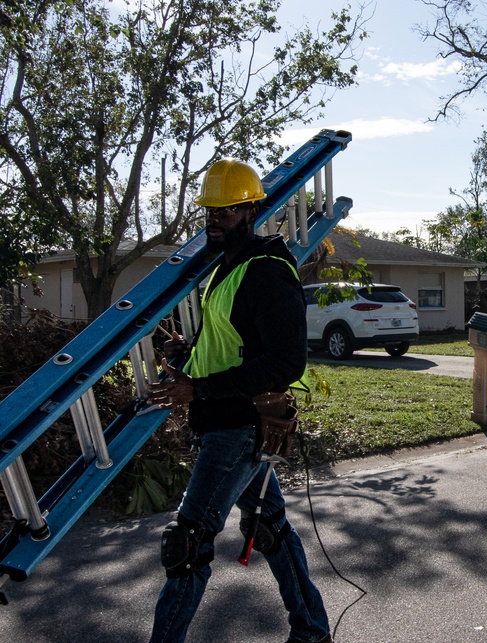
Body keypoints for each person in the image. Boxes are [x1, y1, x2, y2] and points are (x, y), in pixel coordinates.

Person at [146, 159, 331, 643]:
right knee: (269, 526)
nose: (215, 220)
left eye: (226, 211)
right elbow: (235, 340)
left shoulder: (267, 271)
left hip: (240, 427)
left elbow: (286, 363)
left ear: (251, 210)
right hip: (222, 419)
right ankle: (312, 631)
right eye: (210, 211)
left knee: (187, 544)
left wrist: (199, 389)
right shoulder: (228, 267)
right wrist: (189, 353)